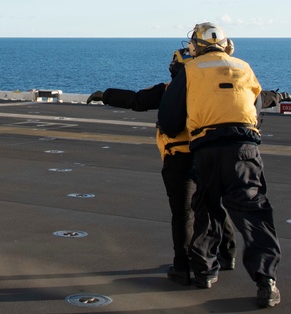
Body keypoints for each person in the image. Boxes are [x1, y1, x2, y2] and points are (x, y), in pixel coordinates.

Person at [86, 47, 237, 286]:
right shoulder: (209, 90)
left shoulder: (168, 90)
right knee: (213, 206)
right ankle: (227, 254)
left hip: (178, 158)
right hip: (208, 155)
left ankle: (182, 265)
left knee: (183, 214)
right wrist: (277, 97)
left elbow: (136, 100)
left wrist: (106, 95)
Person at [158, 22, 283, 308]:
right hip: (245, 150)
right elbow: (256, 109)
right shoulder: (244, 67)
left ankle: (204, 272)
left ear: (194, 46)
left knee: (207, 208)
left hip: (207, 149)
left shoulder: (189, 71)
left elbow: (169, 120)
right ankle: (267, 282)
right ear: (227, 45)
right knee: (255, 215)